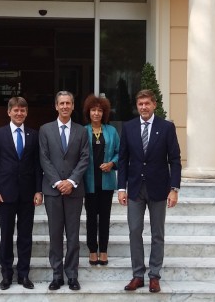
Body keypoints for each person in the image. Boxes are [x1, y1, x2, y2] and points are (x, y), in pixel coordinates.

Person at [117, 89, 181, 293]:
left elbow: (175, 160)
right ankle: (138, 275)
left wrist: (174, 189)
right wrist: (121, 187)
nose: (143, 107)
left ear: (154, 105)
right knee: (135, 231)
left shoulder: (167, 127)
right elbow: (123, 159)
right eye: (140, 104)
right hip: (135, 188)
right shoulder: (128, 127)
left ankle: (154, 275)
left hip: (159, 188)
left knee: (157, 233)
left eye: (147, 103)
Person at [0, 96, 43, 290]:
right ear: (9, 112)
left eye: (22, 110)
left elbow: (37, 165)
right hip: (5, 194)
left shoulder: (33, 135)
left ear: (26, 112)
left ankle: (24, 275)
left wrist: (39, 190)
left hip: (28, 195)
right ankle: (6, 275)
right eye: (15, 110)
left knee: (25, 236)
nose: (19, 113)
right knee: (6, 235)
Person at [39, 90, 89, 291]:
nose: (65, 106)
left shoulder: (81, 131)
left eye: (69, 103)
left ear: (73, 106)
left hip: (74, 191)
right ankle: (57, 275)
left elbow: (85, 158)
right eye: (62, 103)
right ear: (56, 106)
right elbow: (44, 158)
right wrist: (58, 182)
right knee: (55, 235)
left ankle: (72, 275)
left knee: (73, 235)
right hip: (53, 191)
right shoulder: (45, 130)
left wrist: (71, 181)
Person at [82, 94, 120, 266]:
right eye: (93, 110)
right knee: (91, 217)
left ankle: (103, 250)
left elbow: (121, 152)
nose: (96, 113)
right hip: (88, 181)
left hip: (106, 181)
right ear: (88, 112)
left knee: (105, 217)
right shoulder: (83, 131)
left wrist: (112, 163)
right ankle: (92, 250)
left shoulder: (111, 131)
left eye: (99, 110)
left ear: (104, 113)